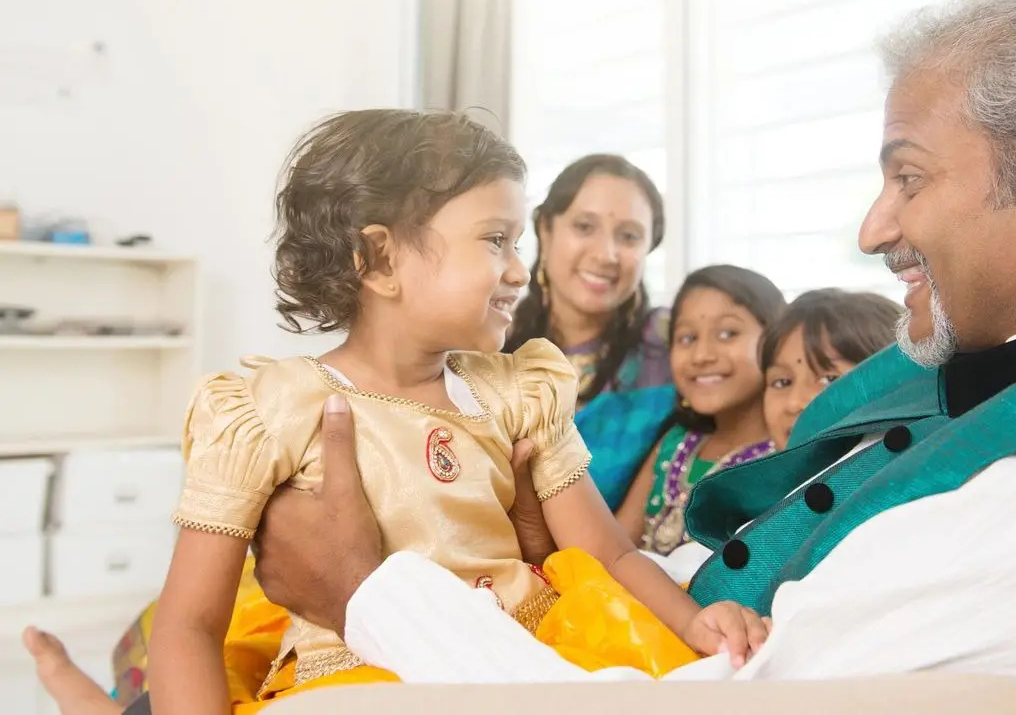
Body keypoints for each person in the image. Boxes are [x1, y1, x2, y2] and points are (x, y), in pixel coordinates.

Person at [33, 0, 1016, 699]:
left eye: (909, 177)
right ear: (377, 260)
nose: (875, 225)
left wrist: (369, 589)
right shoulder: (1014, 375)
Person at [26, 110, 764, 715]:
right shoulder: (271, 408)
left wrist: (695, 619)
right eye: (494, 240)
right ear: (378, 260)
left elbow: (611, 554)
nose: (518, 268)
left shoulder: (517, 391)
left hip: (519, 656)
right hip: (355, 676)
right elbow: (190, 622)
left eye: (519, 243)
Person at [504, 154, 676, 509]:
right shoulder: (489, 342)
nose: (606, 254)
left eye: (629, 236)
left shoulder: (674, 346)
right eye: (584, 227)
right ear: (545, 229)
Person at [615, 266, 785, 555]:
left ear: (776, 343)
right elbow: (612, 550)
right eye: (687, 338)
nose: (702, 355)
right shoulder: (675, 443)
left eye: (727, 333)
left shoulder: (786, 457)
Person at [759, 289, 901, 448]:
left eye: (829, 380)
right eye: (782, 382)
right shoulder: (743, 469)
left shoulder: (916, 470)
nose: (794, 403)